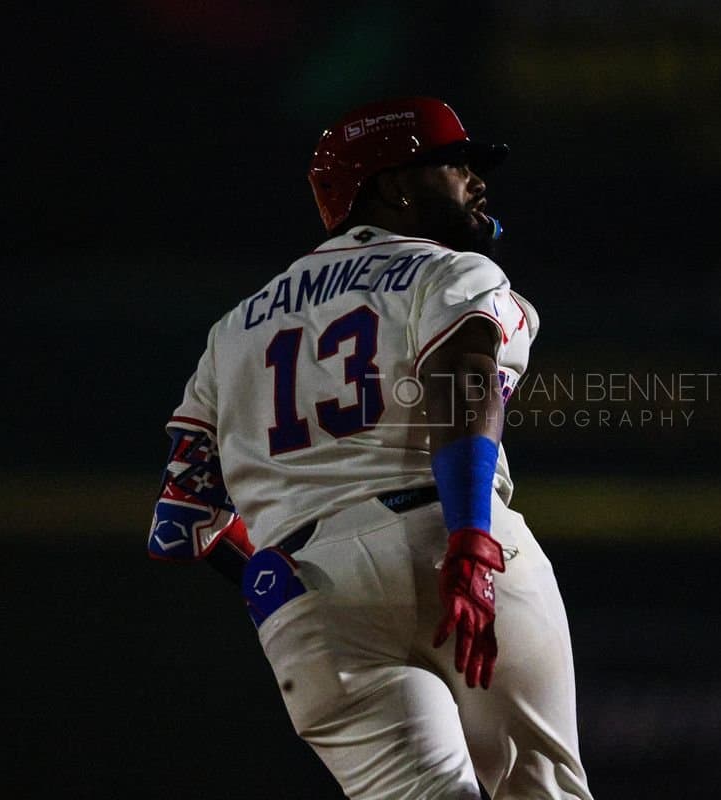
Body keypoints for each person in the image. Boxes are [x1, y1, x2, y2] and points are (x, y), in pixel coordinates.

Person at [147, 96, 592, 799]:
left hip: (313, 588)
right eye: (453, 163)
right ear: (391, 185)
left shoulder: (231, 332)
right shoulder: (452, 272)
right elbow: (463, 380)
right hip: (453, 537)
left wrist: (267, 586)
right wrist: (471, 537)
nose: (477, 180)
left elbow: (184, 517)